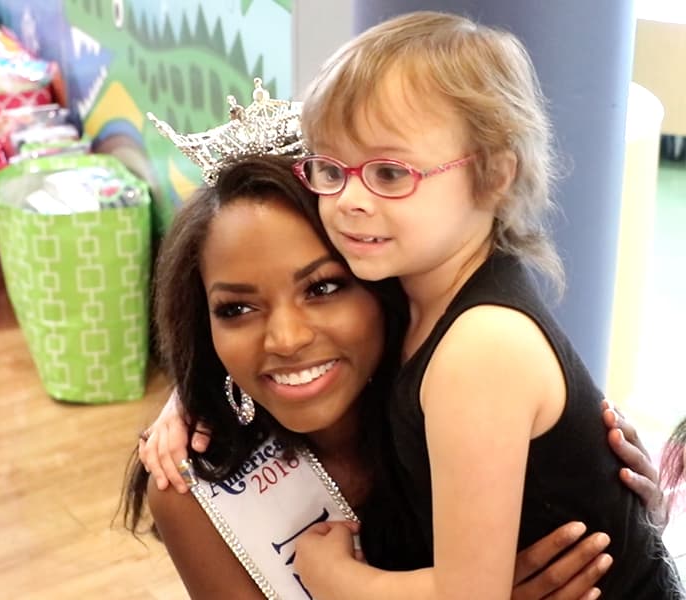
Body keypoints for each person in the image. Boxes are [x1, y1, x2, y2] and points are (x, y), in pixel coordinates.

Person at [124, 148, 659, 600]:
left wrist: (628, 506)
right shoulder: (192, 487)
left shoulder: (461, 389)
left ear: (388, 286)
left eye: (323, 288)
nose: (284, 340)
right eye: (237, 309)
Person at [282, 10, 683, 599]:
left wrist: (332, 576)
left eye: (390, 173)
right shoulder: (407, 280)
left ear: (494, 175)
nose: (348, 201)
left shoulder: (480, 346)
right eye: (330, 168)